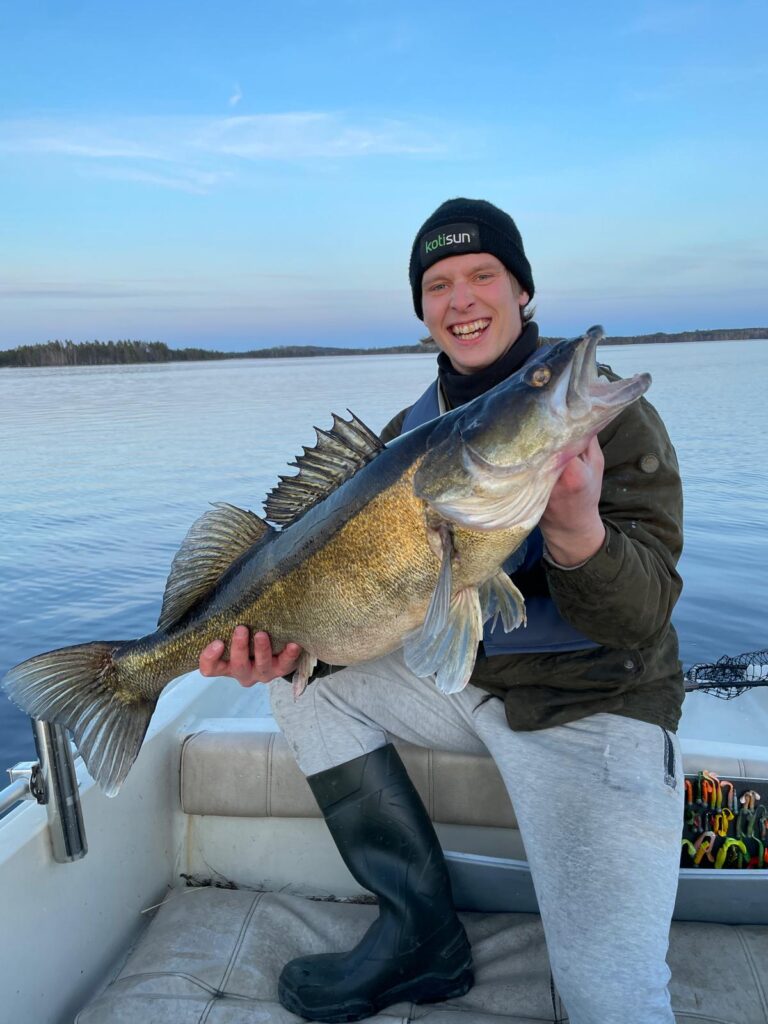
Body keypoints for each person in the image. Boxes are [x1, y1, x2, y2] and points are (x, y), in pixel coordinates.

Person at [199, 198, 685, 1024]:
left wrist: (578, 531)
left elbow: (641, 617)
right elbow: (368, 597)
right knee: (305, 684)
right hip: (474, 685)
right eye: (438, 285)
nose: (462, 299)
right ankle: (420, 934)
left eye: (483, 275)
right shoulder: (408, 438)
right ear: (423, 311)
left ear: (522, 290)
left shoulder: (611, 422)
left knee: (612, 1003)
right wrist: (287, 645)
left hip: (594, 703)